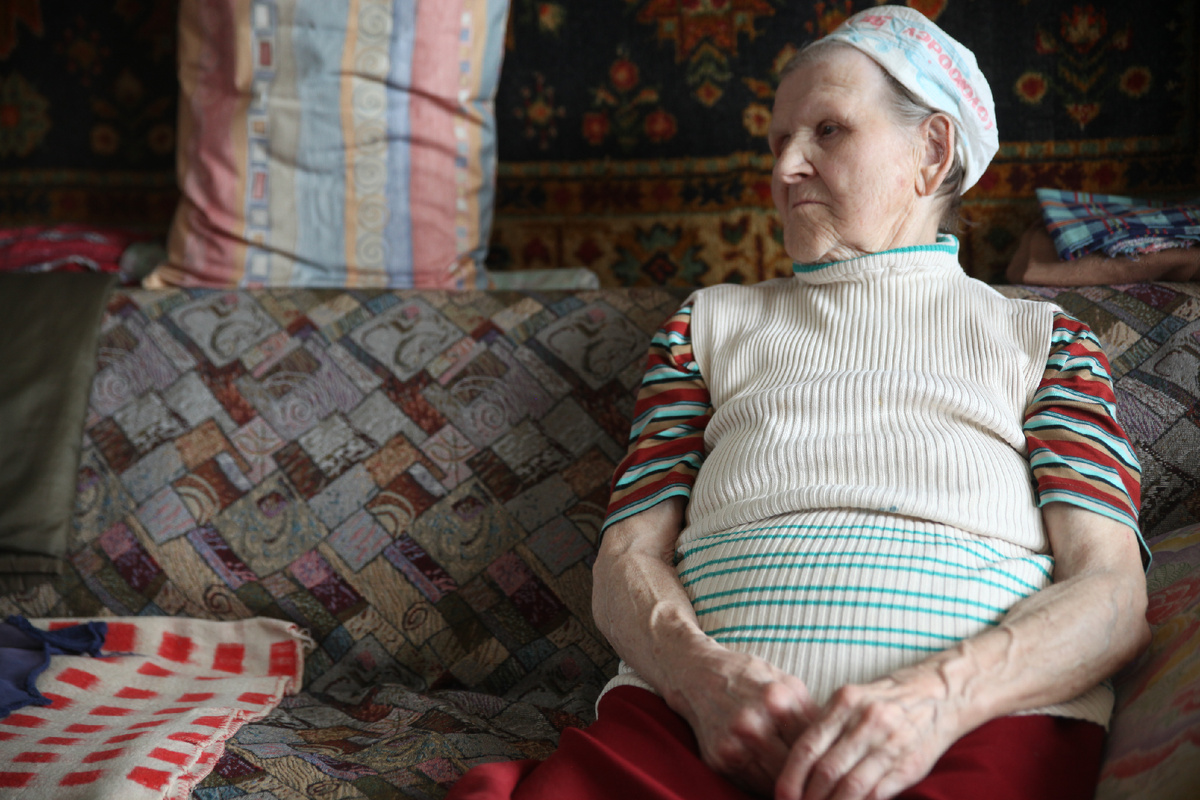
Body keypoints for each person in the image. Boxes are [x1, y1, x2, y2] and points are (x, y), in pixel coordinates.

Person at [448, 7, 1150, 800]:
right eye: (778, 141)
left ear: (931, 151)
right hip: (688, 730)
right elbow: (626, 560)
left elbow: (1113, 595)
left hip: (966, 731)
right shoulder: (705, 326)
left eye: (828, 131)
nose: (785, 168)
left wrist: (939, 700)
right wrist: (697, 677)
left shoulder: (1047, 343)